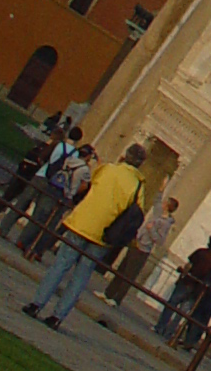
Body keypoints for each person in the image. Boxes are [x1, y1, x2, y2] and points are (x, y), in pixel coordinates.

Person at [22, 139, 146, 331]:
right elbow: (137, 213)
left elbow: (89, 186)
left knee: (60, 265)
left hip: (83, 222)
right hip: (105, 235)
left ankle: (36, 304)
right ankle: (57, 316)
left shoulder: (107, 169)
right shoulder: (138, 185)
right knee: (81, 277)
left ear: (126, 155)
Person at [105, 191, 178, 307]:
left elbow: (159, 240)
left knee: (129, 275)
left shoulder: (165, 224)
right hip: (136, 243)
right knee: (121, 269)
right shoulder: (158, 213)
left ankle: (117, 299)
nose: (163, 203)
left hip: (143, 250)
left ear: (168, 207)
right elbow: (156, 202)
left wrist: (151, 230)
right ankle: (108, 293)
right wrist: (161, 190)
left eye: (165, 203)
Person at [156, 231, 211, 343]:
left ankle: (160, 327)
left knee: (171, 304)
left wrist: (182, 277)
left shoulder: (200, 252)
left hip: (187, 282)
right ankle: (170, 333)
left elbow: (189, 265)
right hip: (197, 290)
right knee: (182, 312)